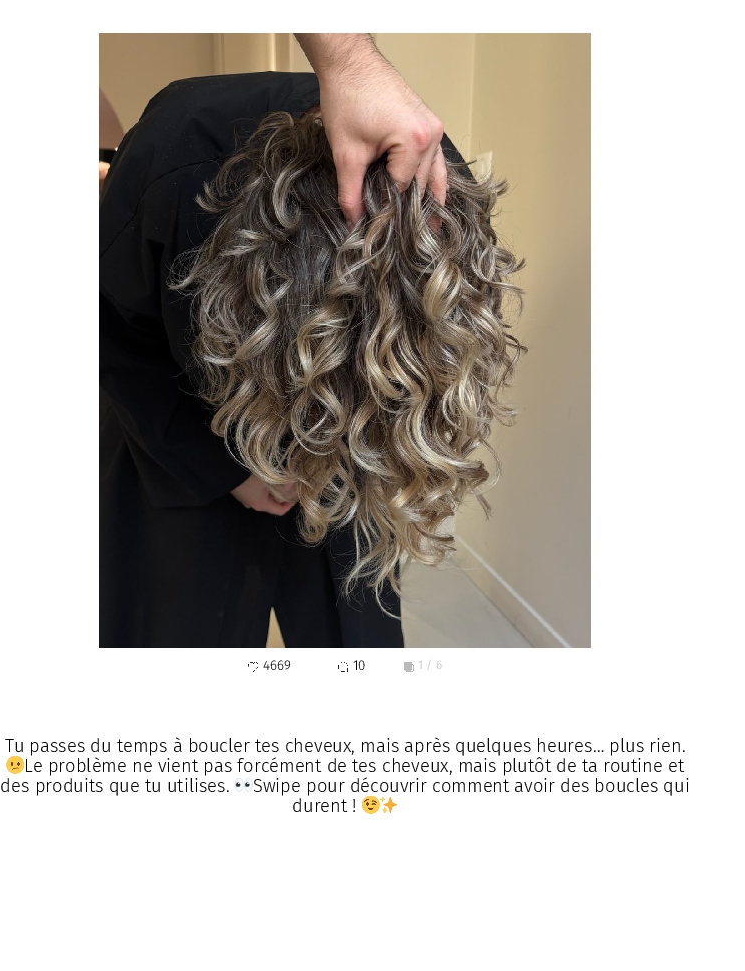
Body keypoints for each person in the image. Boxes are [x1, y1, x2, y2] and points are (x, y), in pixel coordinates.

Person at [100, 45, 522, 648]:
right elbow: (114, 333)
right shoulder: (169, 171)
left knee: (357, 632)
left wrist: (364, 445)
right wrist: (221, 469)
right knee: (183, 629)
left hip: (361, 446)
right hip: (182, 410)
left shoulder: (440, 214)